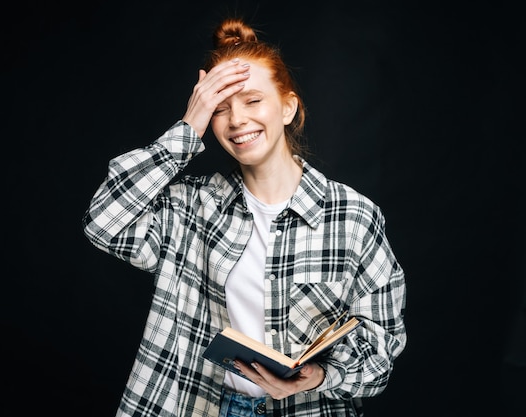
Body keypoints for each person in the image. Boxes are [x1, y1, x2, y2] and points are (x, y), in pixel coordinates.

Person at [83, 16, 406, 417]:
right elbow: (104, 222)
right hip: (195, 405)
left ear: (288, 107)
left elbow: (380, 353)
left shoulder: (353, 217)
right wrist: (189, 126)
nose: (237, 120)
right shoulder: (191, 207)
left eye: (253, 101)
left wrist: (321, 375)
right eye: (220, 109)